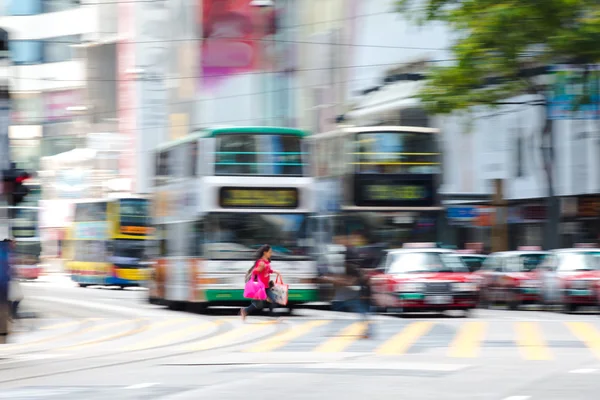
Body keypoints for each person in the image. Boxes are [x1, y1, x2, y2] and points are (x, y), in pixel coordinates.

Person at [240, 244, 281, 321]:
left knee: (274, 299)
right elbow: (254, 272)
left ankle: (273, 316)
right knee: (259, 304)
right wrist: (258, 269)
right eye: (270, 252)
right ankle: (245, 311)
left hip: (266, 286)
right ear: (265, 252)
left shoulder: (267, 261)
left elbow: (268, 270)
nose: (271, 254)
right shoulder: (260, 262)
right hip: (260, 287)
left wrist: (275, 272)